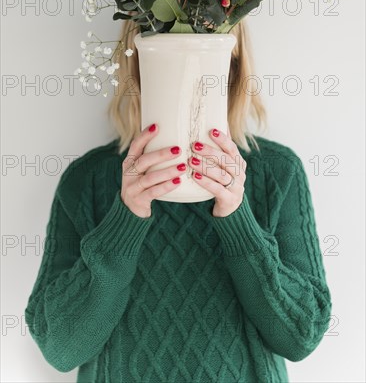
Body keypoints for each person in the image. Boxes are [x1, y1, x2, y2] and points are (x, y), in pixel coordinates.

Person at [24, 19, 332, 382]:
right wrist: (125, 220)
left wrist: (239, 219)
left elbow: (301, 336)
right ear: (138, 61)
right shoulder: (88, 181)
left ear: (231, 61)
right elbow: (60, 348)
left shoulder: (277, 174)